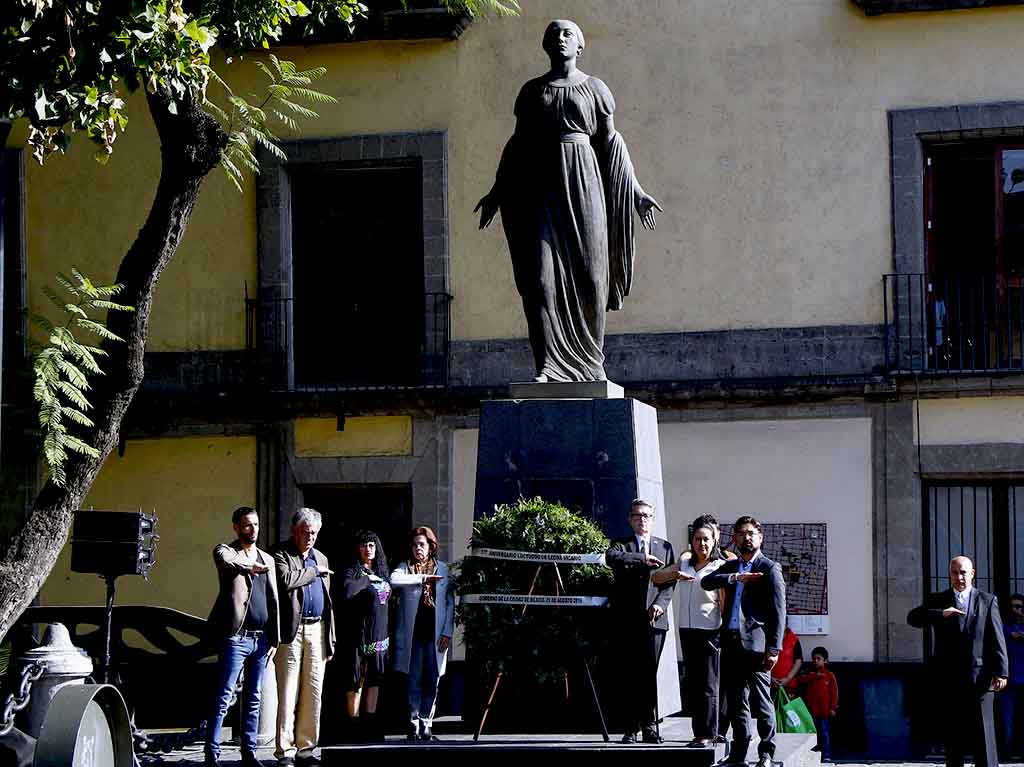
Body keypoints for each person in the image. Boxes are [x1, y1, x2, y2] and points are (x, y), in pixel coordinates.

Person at [475, 19, 662, 383]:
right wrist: (497, 191)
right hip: (541, 191)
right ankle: (548, 364)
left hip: (584, 184)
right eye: (554, 33)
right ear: (545, 44)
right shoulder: (531, 92)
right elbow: (517, 145)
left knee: (593, 278)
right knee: (541, 279)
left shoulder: (595, 89)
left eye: (567, 34)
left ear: (580, 46)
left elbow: (610, 144)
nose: (560, 38)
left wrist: (635, 191)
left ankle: (592, 364)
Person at [701, 516, 786, 767]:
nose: (746, 538)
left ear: (760, 537)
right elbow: (707, 581)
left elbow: (779, 612)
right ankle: (738, 753)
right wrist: (734, 578)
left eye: (751, 533)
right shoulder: (732, 566)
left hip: (758, 647)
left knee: (761, 703)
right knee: (737, 703)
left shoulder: (770, 568)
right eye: (741, 533)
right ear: (735, 538)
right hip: (731, 643)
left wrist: (774, 648)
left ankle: (766, 753)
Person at [908, 555, 1009, 767]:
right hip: (949, 680)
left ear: (972, 574)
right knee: (954, 739)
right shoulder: (939, 599)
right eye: (955, 572)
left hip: (980, 679)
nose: (959, 577)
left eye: (963, 572)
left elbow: (996, 638)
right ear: (949, 574)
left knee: (984, 737)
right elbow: (913, 618)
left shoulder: (987, 600)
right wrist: (940, 614)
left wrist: (1002, 672)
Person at [204, 506, 280, 767]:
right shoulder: (226, 551)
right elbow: (225, 560)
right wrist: (250, 566)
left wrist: (275, 638)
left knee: (254, 697)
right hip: (235, 637)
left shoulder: (268, 559)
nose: (253, 529)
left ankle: (249, 752)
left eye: (256, 524)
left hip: (261, 639)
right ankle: (212, 754)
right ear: (236, 527)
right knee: (224, 695)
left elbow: (274, 601)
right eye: (247, 525)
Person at [652, 514, 727, 748]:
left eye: (706, 539)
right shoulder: (685, 562)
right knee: (694, 685)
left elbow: (724, 603)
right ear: (691, 541)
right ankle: (699, 733)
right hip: (687, 630)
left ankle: (709, 733)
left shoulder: (719, 566)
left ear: (714, 541)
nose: (702, 544)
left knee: (708, 686)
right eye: (697, 539)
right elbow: (656, 577)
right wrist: (675, 574)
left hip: (710, 631)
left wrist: (723, 633)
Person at [605, 499, 676, 743]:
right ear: (630, 519)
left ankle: (649, 726)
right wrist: (641, 558)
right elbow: (611, 557)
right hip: (627, 620)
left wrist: (660, 604)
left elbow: (669, 582)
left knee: (649, 674)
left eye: (646, 515)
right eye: (637, 515)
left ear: (653, 519)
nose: (642, 519)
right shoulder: (621, 545)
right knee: (629, 674)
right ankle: (630, 728)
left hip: (654, 621)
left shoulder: (665, 547)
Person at [271, 508, 335, 767]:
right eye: (306, 532)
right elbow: (286, 580)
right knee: (287, 692)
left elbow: (328, 602)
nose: (310, 537)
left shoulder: (321, 557)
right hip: (291, 632)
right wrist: (314, 572)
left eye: (315, 533)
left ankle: (306, 749)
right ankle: (284, 751)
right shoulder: (281, 553)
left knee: (314, 692)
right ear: (294, 531)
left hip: (317, 630)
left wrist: (330, 639)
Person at [391, 526, 455, 742]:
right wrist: (422, 579)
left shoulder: (443, 569)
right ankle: (414, 723)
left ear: (430, 548)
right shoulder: (406, 568)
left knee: (432, 679)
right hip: (413, 635)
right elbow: (394, 580)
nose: (418, 548)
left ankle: (427, 723)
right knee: (413, 680)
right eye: (415, 544)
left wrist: (447, 631)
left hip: (435, 634)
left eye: (422, 544)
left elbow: (449, 602)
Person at [340, 530, 392, 741]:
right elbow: (347, 591)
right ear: (357, 548)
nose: (368, 549)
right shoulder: (353, 571)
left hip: (380, 636)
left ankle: (371, 723)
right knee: (357, 680)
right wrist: (366, 579)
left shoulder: (383, 571)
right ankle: (354, 724)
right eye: (364, 545)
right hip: (360, 634)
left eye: (371, 545)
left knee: (375, 680)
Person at [796, 646, 838, 759]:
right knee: (812, 734)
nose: (815, 661)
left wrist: (832, 708)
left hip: (824, 712)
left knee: (824, 733)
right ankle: (812, 755)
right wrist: (814, 676)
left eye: (818, 659)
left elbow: (834, 693)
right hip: (811, 711)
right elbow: (800, 679)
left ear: (825, 661)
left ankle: (826, 755)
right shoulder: (809, 674)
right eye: (814, 659)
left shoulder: (829, 676)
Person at [1000, 594, 1024, 758]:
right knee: (1006, 719)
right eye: (1014, 607)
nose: (1017, 610)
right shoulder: (1003, 627)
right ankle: (1006, 752)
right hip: (1008, 680)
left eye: (1020, 607)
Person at [771, 627, 803, 696]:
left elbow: (798, 661)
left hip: (789, 686)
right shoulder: (768, 637)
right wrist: (770, 678)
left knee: (787, 707)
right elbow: (762, 660)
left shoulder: (794, 639)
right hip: (770, 684)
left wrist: (787, 679)